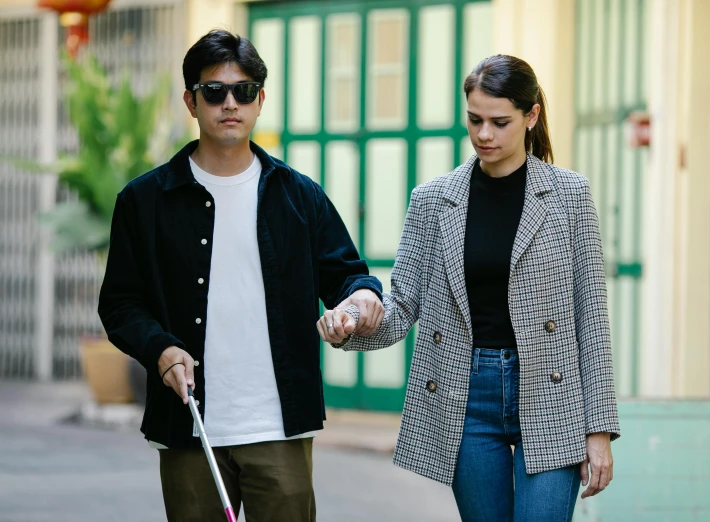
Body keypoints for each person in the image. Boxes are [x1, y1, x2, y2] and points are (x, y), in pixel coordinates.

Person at [318, 54, 620, 521]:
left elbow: (591, 318)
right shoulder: (433, 200)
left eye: (500, 122)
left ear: (531, 115)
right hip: (465, 393)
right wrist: (352, 322)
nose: (484, 134)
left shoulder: (570, 195)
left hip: (550, 389)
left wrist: (598, 430)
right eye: (474, 120)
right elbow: (401, 307)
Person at [98, 29, 384, 522]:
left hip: (279, 425)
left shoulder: (300, 196)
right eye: (214, 91)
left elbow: (348, 276)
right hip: (190, 426)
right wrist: (162, 349)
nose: (230, 103)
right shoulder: (144, 202)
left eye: (244, 90)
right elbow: (120, 304)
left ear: (260, 100)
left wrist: (357, 303)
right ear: (191, 101)